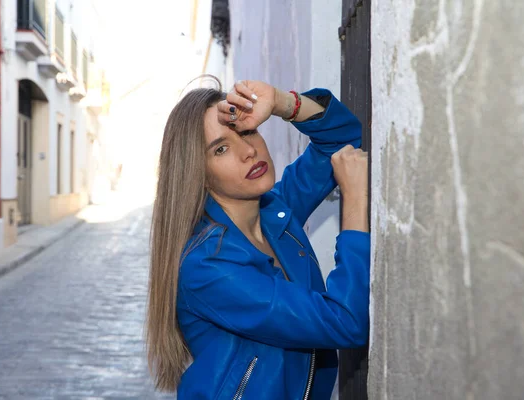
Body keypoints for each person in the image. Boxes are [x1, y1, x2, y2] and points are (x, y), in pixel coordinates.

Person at [147, 77, 370, 400]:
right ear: (199, 173)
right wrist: (355, 203)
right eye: (221, 148)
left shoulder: (275, 212)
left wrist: (283, 103)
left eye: (247, 132)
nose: (248, 151)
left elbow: (342, 138)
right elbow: (345, 322)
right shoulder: (208, 266)